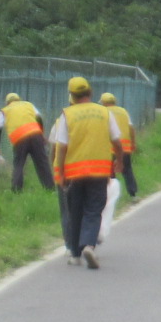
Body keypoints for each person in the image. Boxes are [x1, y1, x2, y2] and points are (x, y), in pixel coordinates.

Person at [49, 76, 124, 269]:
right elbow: (117, 141)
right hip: (99, 171)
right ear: (90, 92)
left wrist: (60, 173)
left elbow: (61, 147)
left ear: (71, 95)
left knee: (75, 212)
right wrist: (120, 161)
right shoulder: (104, 112)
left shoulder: (67, 115)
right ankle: (89, 245)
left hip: (74, 173)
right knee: (93, 210)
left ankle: (75, 255)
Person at [0, 93, 53, 193]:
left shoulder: (4, 111)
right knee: (42, 163)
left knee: (19, 165)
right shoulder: (28, 104)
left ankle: (16, 190)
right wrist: (41, 133)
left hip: (19, 138)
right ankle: (50, 188)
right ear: (19, 100)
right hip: (35, 135)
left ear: (7, 102)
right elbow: (39, 118)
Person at [99, 92, 140, 198]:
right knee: (127, 170)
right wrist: (133, 143)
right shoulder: (123, 111)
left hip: (110, 148)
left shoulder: (103, 112)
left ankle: (111, 195)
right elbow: (131, 128)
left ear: (103, 102)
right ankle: (133, 194)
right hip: (125, 148)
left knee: (110, 173)